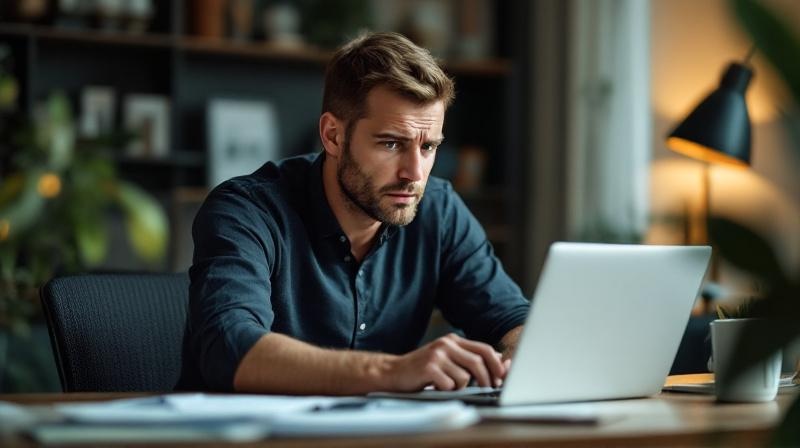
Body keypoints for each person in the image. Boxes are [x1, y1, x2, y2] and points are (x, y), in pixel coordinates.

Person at [179, 31, 530, 394]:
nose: (414, 173)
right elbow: (231, 348)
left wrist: (520, 355)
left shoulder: (438, 211)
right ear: (332, 136)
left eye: (428, 147)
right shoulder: (246, 211)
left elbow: (511, 318)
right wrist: (391, 371)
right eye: (391, 144)